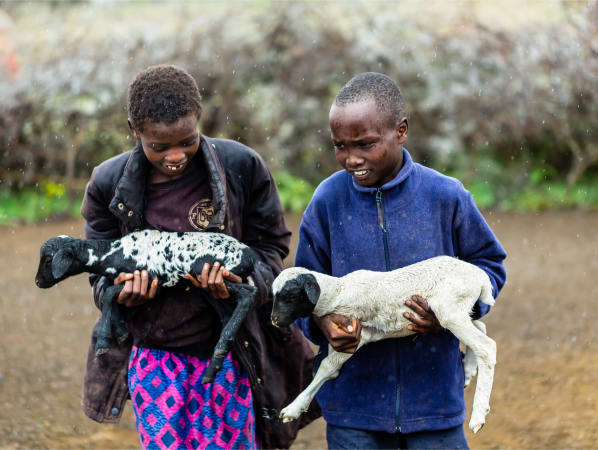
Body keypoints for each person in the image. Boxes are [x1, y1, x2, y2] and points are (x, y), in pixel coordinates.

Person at [79, 64, 319, 449]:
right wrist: (122, 294)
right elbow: (100, 272)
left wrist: (242, 284)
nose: (175, 156)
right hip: (155, 358)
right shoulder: (108, 184)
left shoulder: (241, 167)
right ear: (133, 129)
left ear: (199, 120)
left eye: (186, 142)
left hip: (233, 356)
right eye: (159, 146)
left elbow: (272, 248)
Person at [295, 72, 507, 449]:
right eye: (340, 146)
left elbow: (488, 265)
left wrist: (454, 311)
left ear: (401, 131)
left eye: (365, 144)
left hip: (435, 405)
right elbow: (303, 289)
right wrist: (322, 324)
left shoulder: (445, 197)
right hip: (354, 408)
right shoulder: (327, 202)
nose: (351, 158)